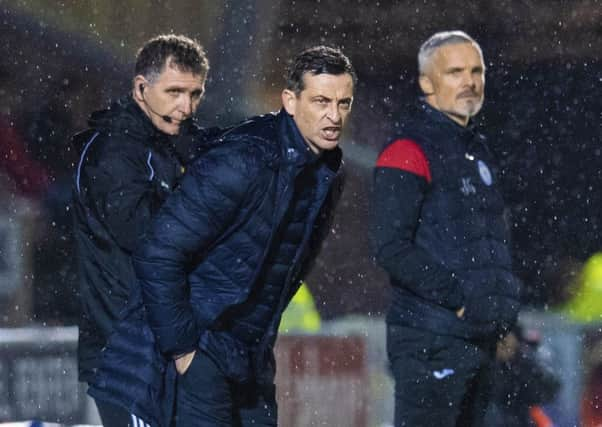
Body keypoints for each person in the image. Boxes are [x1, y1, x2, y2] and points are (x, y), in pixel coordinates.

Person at [127, 45, 355, 426]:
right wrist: (184, 349)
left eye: (343, 103)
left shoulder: (328, 170)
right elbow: (158, 252)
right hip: (204, 347)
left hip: (252, 353)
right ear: (290, 101)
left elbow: (293, 261)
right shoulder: (243, 159)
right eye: (320, 101)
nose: (334, 115)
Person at [371, 30, 522, 426]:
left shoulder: (476, 149)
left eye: (477, 71)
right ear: (426, 83)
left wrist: (503, 317)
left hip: (479, 339)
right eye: (455, 72)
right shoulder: (408, 150)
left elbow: (488, 243)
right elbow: (390, 246)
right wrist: (460, 299)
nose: (469, 81)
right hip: (432, 341)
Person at [72, 34, 220, 427]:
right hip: (128, 354)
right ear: (141, 88)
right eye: (174, 92)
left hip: (167, 347)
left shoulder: (174, 145)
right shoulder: (115, 154)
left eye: (195, 94)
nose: (185, 107)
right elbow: (150, 238)